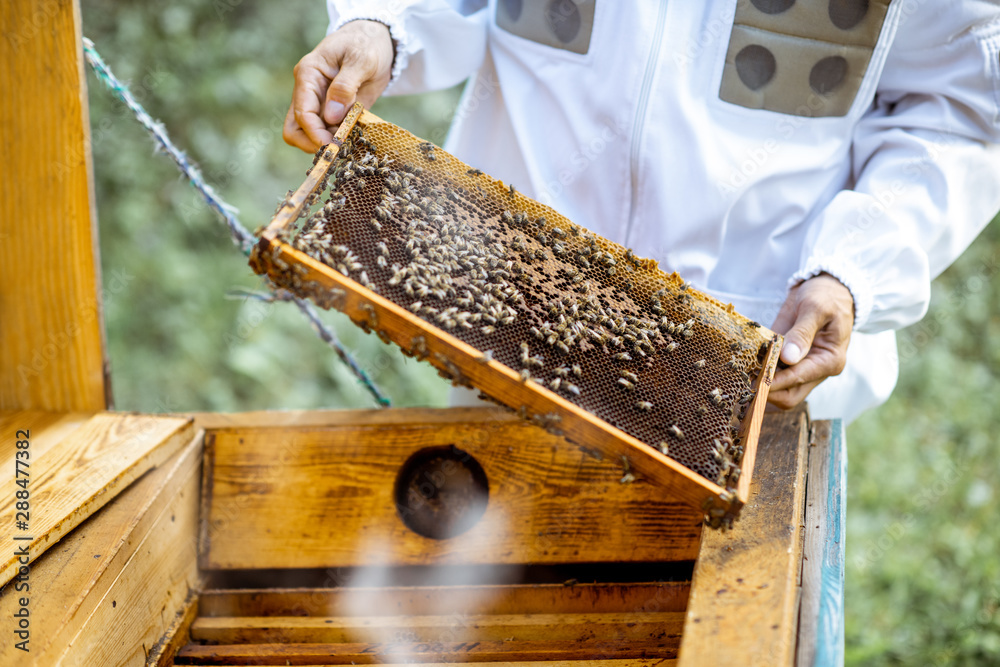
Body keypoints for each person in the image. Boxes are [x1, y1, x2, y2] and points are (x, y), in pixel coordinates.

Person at [284, 0, 1000, 423]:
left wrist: (851, 268)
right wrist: (384, 23)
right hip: (506, 320)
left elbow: (961, 107)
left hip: (749, 361)